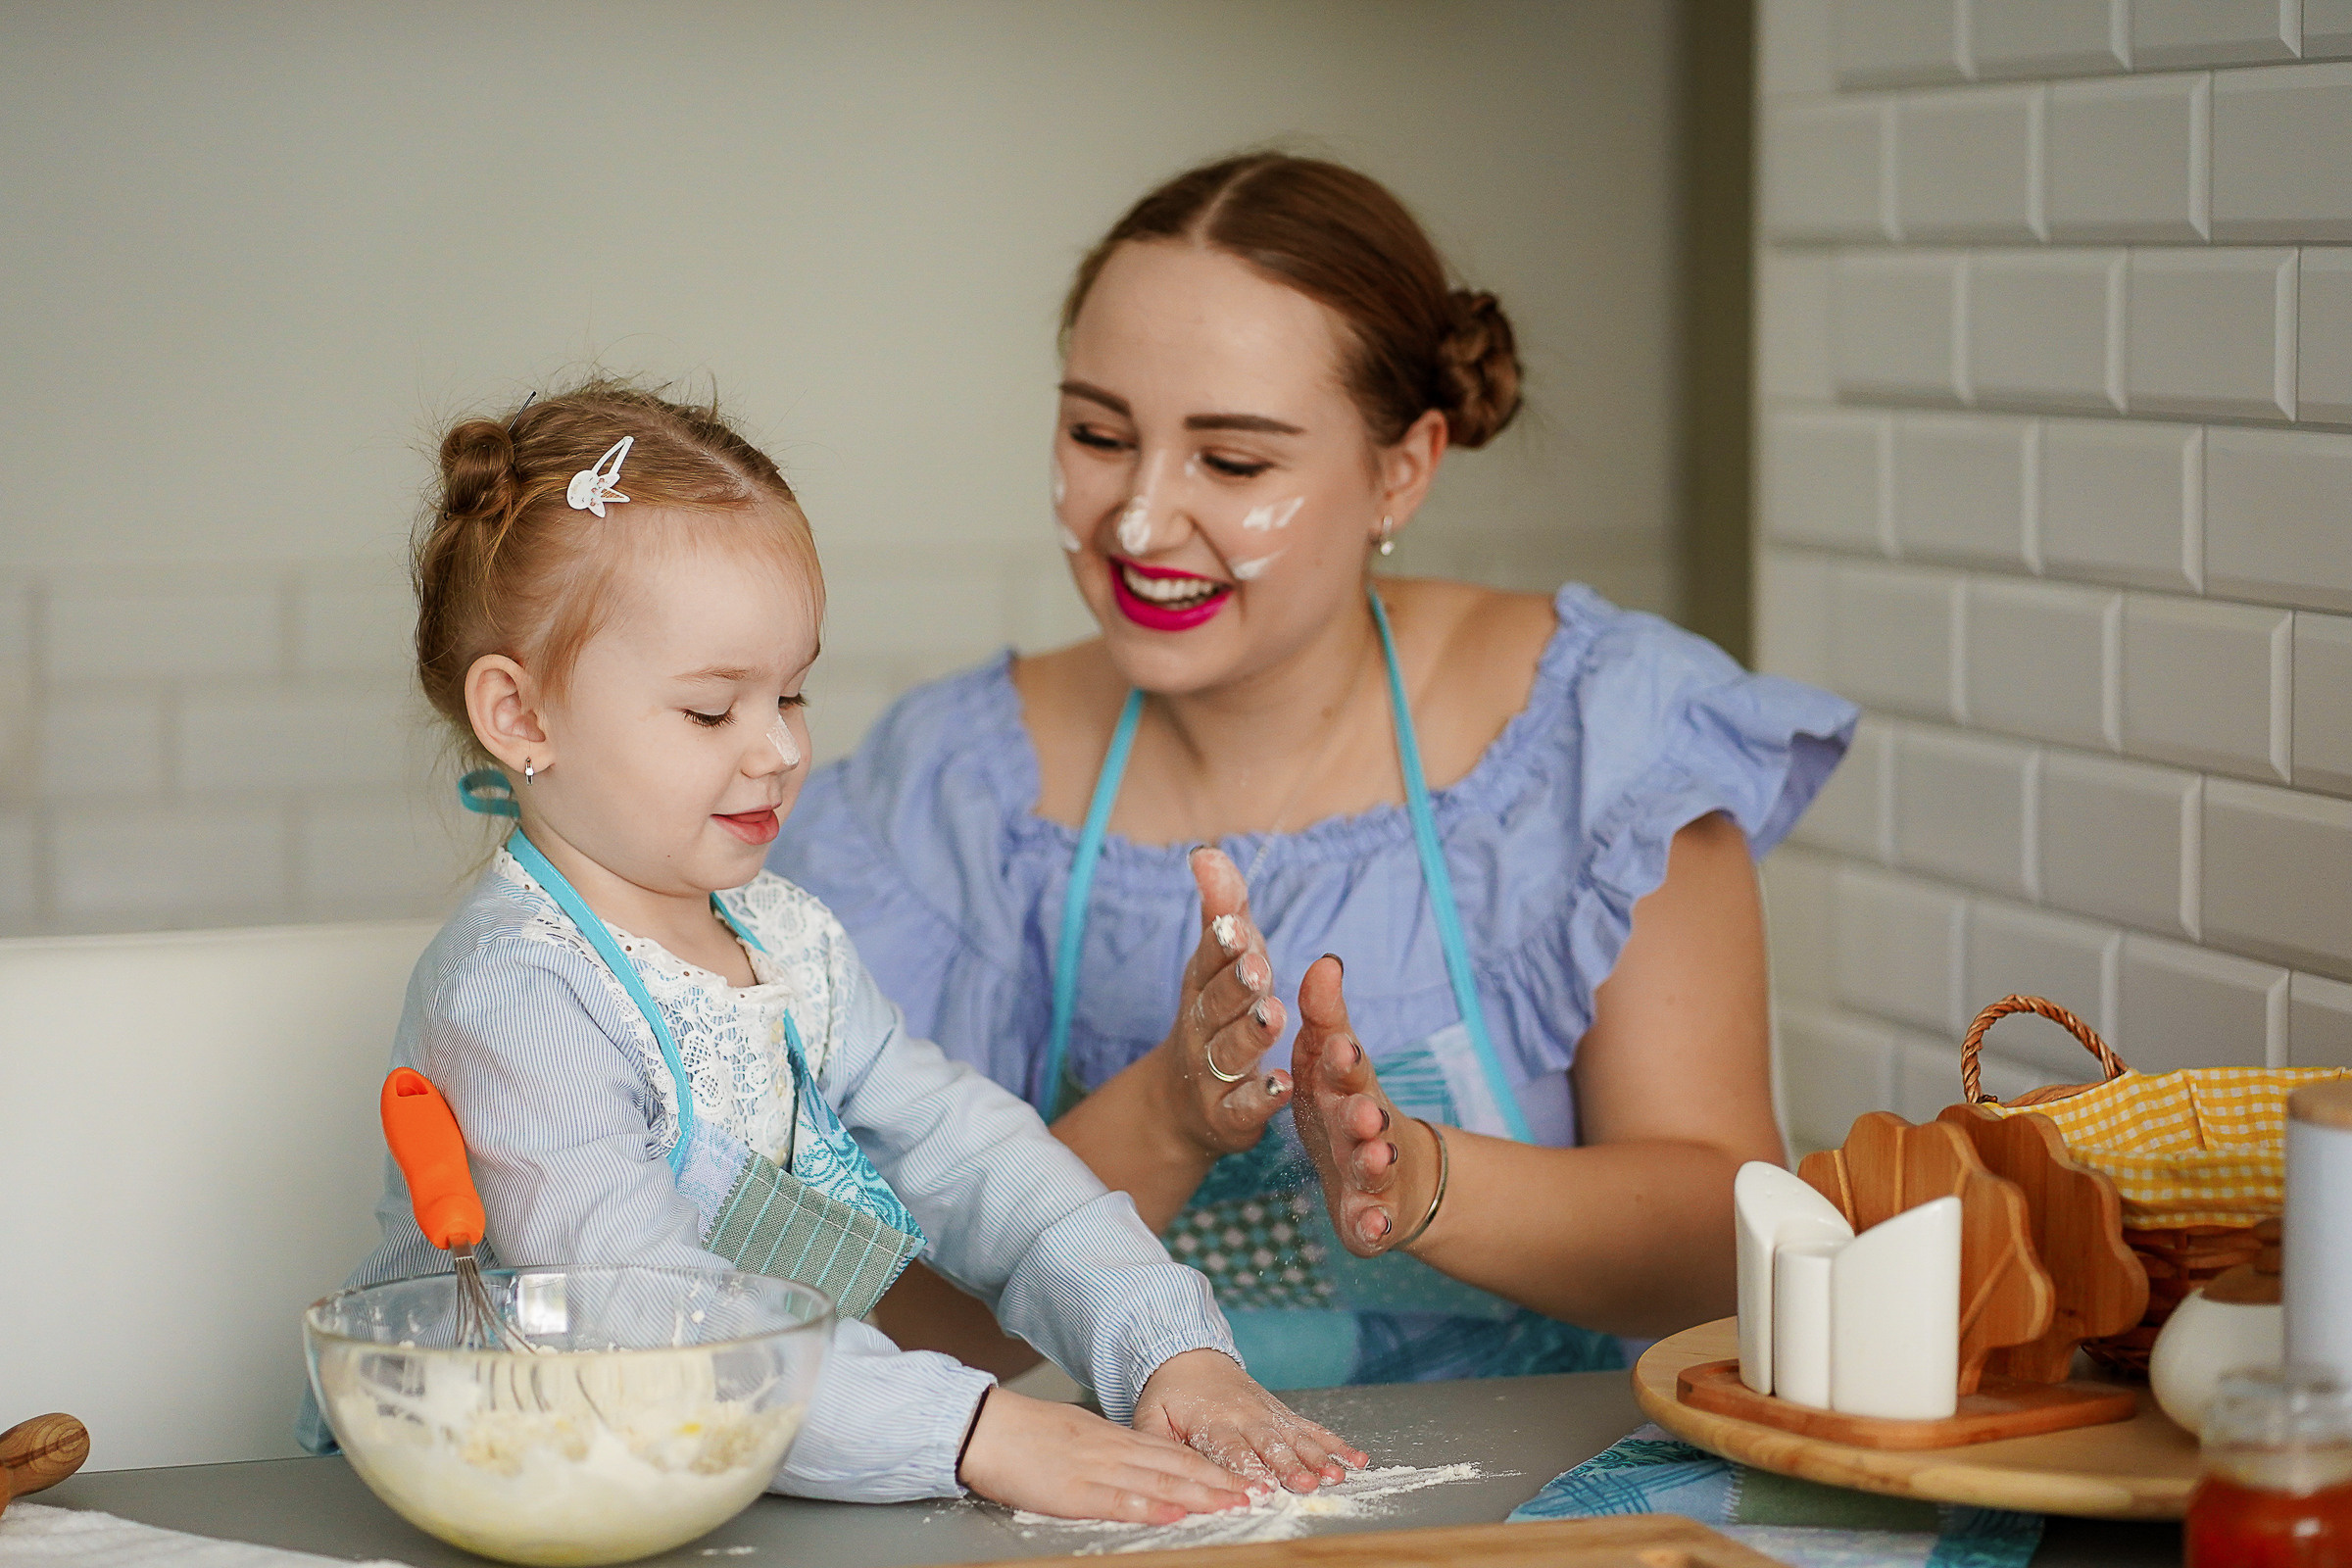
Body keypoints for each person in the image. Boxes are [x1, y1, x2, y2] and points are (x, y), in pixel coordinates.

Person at [771, 154, 1859, 1391]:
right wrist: (1168, 1120)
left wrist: (1418, 1174)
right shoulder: (944, 791)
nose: (1137, 521)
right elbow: (855, 1308)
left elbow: (1729, 1248)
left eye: (1231, 464)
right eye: (1097, 434)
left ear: (1402, 468)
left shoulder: (1601, 735)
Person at [301, 379, 1363, 1514]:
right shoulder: (516, 993)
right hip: (509, 1497)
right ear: (520, 717)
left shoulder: (788, 940)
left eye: (794, 693)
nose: (776, 751)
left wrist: (1163, 1344)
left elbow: (976, 1160)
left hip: (728, 1468)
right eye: (712, 711)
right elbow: (638, 1313)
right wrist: (970, 1431)